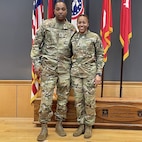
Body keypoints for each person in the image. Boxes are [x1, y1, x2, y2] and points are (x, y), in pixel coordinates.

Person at [30, 1, 76, 141]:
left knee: (63, 98)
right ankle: (44, 126)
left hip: (64, 69)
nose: (60, 11)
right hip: (48, 68)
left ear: (66, 11)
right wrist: (37, 64)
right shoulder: (46, 25)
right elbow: (36, 45)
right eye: (58, 9)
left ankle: (59, 123)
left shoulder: (71, 28)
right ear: (54, 11)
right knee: (46, 99)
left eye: (63, 9)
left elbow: (76, 50)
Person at [71, 14, 105, 139]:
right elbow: (69, 55)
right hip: (76, 74)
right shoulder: (73, 38)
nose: (81, 25)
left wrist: (98, 74)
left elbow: (101, 56)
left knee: (89, 101)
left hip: (90, 73)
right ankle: (81, 124)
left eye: (84, 22)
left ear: (88, 24)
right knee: (78, 101)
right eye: (79, 22)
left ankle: (89, 125)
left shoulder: (94, 37)